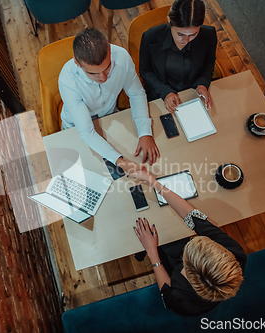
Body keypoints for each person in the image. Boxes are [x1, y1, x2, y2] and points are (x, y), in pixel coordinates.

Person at [130, 169, 246, 316]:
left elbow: (166, 290)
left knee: (163, 246)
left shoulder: (184, 303)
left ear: (185, 274)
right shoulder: (233, 254)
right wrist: (154, 183)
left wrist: (152, 252)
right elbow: (195, 218)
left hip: (167, 267)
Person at [59, 28, 160, 173]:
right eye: (93, 73)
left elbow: (136, 93)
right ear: (77, 62)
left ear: (110, 51)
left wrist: (145, 132)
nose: (103, 78)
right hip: (77, 128)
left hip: (109, 116)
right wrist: (122, 162)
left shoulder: (122, 57)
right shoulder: (67, 80)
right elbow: (87, 132)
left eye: (107, 68)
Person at [139, 0, 217, 113]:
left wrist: (202, 83)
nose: (186, 41)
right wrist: (165, 92)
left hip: (192, 93)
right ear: (169, 20)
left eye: (193, 34)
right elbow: (145, 71)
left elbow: (209, 62)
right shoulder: (150, 37)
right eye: (180, 34)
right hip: (160, 95)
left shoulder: (209, 34)